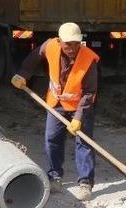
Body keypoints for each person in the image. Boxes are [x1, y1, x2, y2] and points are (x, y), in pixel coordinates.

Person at [11, 22, 99, 202]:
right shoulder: (50, 46)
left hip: (80, 106)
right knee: (52, 140)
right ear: (60, 41)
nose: (72, 48)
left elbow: (90, 92)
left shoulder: (88, 59)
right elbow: (33, 57)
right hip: (56, 103)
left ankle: (85, 182)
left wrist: (79, 118)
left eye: (76, 43)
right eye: (68, 44)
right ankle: (54, 177)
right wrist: (23, 74)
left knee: (84, 142)